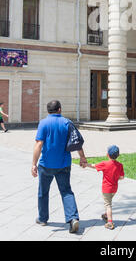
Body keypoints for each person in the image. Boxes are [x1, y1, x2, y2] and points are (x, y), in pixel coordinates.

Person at [32, 100, 88, 233]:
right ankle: (73, 218)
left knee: (43, 192)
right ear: (59, 109)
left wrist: (34, 164)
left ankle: (43, 218)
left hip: (46, 165)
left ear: (48, 110)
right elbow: (77, 142)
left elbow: (39, 144)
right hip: (64, 164)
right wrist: (82, 157)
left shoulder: (43, 123)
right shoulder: (67, 122)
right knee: (66, 191)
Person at [88, 144, 124, 230]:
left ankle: (110, 222)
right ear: (118, 155)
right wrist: (116, 178)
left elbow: (94, 166)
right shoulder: (120, 165)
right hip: (114, 189)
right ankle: (105, 215)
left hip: (106, 188)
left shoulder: (105, 164)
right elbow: (122, 177)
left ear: (107, 154)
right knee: (109, 201)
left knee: (108, 205)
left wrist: (86, 164)